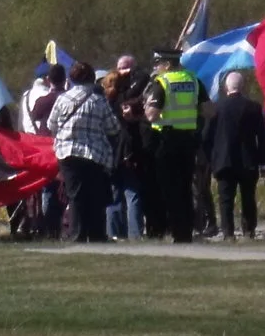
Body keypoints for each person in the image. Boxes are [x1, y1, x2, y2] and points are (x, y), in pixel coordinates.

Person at [45, 62, 119, 243]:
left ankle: (76, 234)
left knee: (74, 195)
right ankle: (96, 235)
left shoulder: (63, 99)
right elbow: (113, 127)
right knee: (95, 195)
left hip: (67, 153)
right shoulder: (98, 100)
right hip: (94, 154)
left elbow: (50, 125)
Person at [145, 50, 203, 244]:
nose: (156, 67)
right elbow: (210, 110)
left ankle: (176, 232)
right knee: (186, 187)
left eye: (159, 63)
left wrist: (145, 107)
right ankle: (186, 231)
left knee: (169, 189)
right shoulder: (194, 81)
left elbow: (152, 115)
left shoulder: (162, 83)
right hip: (187, 141)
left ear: (168, 64)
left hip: (167, 141)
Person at [204, 68, 265, 240]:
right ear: (243, 86)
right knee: (248, 197)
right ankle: (248, 231)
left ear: (226, 87)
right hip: (248, 160)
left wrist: (210, 159)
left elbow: (206, 136)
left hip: (224, 161)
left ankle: (228, 233)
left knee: (225, 199)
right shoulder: (254, 108)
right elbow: (261, 137)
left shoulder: (216, 108)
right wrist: (264, 162)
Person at [110, 55, 153, 240]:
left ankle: (114, 233)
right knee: (130, 193)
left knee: (116, 194)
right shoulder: (120, 96)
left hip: (114, 150)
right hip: (126, 148)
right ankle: (134, 234)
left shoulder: (107, 96)